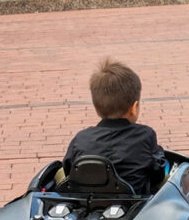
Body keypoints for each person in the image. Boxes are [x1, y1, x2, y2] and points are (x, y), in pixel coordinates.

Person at [63, 59, 166, 196]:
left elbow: (68, 169)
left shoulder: (81, 138)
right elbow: (157, 174)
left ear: (96, 108)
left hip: (89, 201)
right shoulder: (145, 135)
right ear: (134, 108)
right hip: (133, 203)